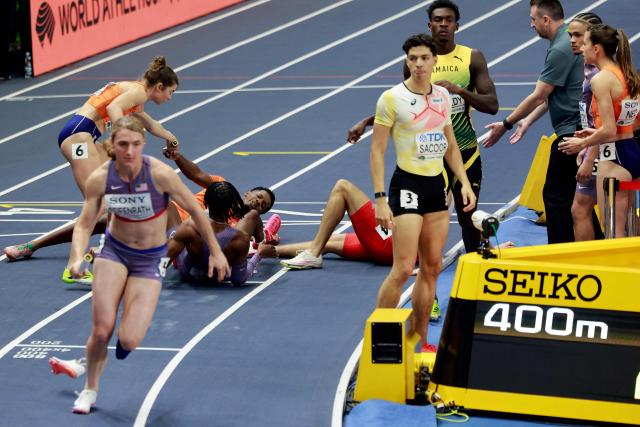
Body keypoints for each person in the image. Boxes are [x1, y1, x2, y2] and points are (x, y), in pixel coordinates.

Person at [53, 116, 229, 414]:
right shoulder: (102, 178)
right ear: (113, 146)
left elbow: (196, 212)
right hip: (114, 254)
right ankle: (90, 389)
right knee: (101, 328)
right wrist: (76, 257)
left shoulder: (160, 175)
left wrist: (216, 250)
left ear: (143, 145)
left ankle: (107, 353)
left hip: (149, 260)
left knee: (130, 339)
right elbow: (84, 225)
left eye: (136, 144)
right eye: (123, 144)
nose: (130, 151)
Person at [348, 0, 498, 254]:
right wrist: (367, 121)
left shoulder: (471, 58)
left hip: (464, 151)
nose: (443, 24)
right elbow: (405, 105)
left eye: (448, 20)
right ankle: (422, 265)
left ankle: (474, 264)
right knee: (425, 218)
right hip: (429, 158)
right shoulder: (416, 63)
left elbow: (492, 104)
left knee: (466, 215)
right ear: (430, 25)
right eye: (438, 20)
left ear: (456, 25)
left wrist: (458, 90)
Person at [4, 56, 180, 262]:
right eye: (171, 92)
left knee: (115, 196)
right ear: (160, 86)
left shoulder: (136, 96)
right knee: (97, 204)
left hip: (85, 138)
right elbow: (113, 109)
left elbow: (149, 123)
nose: (170, 97)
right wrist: (124, 137)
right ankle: (79, 263)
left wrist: (171, 138)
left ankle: (31, 247)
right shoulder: (138, 92)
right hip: (78, 138)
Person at [3, 147, 279, 274]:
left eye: (263, 204)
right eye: (258, 196)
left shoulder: (240, 221)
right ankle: (34, 245)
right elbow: (195, 173)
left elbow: (250, 241)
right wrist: (177, 156)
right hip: (175, 214)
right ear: (247, 192)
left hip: (179, 234)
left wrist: (263, 241)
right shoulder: (221, 187)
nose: (258, 202)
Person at [370, 34, 476, 352]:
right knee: (403, 268)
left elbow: (450, 145)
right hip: (407, 186)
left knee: (432, 267)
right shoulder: (391, 99)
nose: (418, 64)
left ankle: (420, 340)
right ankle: (380, 337)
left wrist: (464, 182)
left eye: (424, 58)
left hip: (436, 187)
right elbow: (377, 150)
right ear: (407, 61)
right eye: (412, 58)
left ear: (433, 60)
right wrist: (379, 198)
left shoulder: (443, 96)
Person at [483, 0, 583, 244]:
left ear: (546, 20)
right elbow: (553, 94)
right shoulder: (567, 39)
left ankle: (560, 254)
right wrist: (527, 121)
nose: (531, 24)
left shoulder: (561, 48)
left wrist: (505, 124)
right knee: (576, 199)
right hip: (577, 127)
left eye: (533, 19)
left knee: (556, 197)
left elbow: (539, 94)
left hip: (572, 131)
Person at [558, 24, 640, 237]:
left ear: (596, 49)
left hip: (614, 158)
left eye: (585, 43)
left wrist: (582, 143)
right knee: (628, 226)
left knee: (612, 230)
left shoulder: (601, 79)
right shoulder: (626, 74)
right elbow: (633, 122)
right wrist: (593, 134)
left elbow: (610, 130)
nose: (581, 48)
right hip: (631, 151)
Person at [168, 181, 277, 286]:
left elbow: (163, 261)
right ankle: (262, 239)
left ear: (206, 202)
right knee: (253, 215)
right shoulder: (240, 239)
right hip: (221, 277)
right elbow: (239, 280)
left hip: (190, 275)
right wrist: (259, 255)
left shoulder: (189, 226)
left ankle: (174, 238)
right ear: (233, 205)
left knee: (170, 211)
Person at [566, 13, 605, 241]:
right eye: (570, 35)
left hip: (601, 149)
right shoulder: (589, 68)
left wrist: (590, 158)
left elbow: (604, 123)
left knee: (585, 211)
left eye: (578, 35)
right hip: (593, 146)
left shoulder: (598, 75)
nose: (572, 40)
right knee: (584, 209)